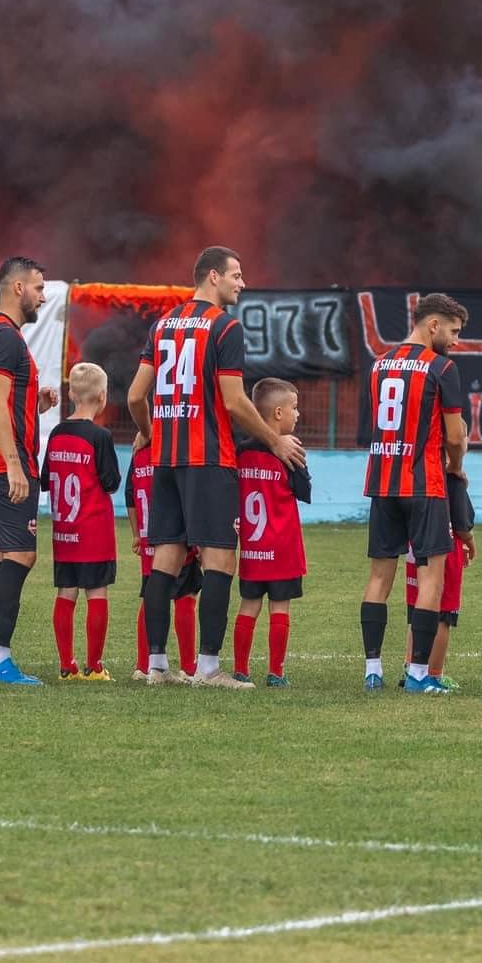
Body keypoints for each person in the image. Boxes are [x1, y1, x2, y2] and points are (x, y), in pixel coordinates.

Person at [128, 248, 303, 690]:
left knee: (164, 557)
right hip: (208, 459)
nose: (242, 284)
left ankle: (156, 665)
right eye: (236, 275)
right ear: (212, 277)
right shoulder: (225, 327)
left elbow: (134, 396)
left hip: (166, 458)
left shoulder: (162, 325)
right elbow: (233, 400)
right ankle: (208, 669)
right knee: (220, 558)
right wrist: (274, 440)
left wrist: (150, 433)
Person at [358, 293, 469, 694]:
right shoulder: (442, 368)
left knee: (378, 577)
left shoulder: (379, 364)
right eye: (453, 332)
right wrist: (455, 466)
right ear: (433, 325)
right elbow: (454, 437)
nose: (455, 341)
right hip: (424, 484)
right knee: (431, 578)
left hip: (382, 481)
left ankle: (373, 671)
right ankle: (419, 676)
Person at [0, 256, 57, 685]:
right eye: (38, 287)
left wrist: (34, 403)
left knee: (1, 556)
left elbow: (1, 399)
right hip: (5, 464)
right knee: (21, 554)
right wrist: (15, 465)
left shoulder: (0, 335)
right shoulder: (4, 337)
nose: (43, 295)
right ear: (18, 288)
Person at [42, 363, 120, 683]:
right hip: (93, 531)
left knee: (66, 592)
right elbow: (111, 481)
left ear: (71, 394)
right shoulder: (100, 436)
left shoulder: (58, 432)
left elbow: (47, 480)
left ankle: (66, 665)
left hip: (64, 532)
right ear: (102, 397)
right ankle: (94, 665)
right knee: (96, 593)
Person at [234, 378, 310, 687]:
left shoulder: (240, 452)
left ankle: (241, 670)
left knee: (248, 605)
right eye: (294, 407)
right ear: (278, 413)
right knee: (280, 607)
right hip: (283, 547)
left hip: (252, 548)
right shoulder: (289, 452)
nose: (298, 414)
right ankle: (276, 673)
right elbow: (304, 491)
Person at [122, 437, 198, 681]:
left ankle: (143, 665)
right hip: (174, 537)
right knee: (185, 597)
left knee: (150, 595)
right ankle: (188, 666)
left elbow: (130, 497)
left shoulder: (139, 455)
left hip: (148, 540)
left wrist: (136, 534)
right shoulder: (174, 452)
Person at [405, 479, 472, 689]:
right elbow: (462, 521)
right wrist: (470, 541)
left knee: (418, 609)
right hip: (444, 543)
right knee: (443, 613)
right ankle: (433, 673)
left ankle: (411, 668)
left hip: (415, 542)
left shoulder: (412, 471)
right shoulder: (451, 474)